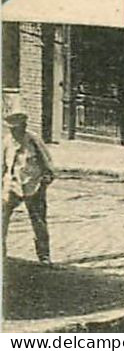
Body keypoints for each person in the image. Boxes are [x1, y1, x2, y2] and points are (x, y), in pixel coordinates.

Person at [3, 111, 56, 263]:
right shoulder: (7, 141)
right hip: (12, 186)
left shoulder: (33, 140)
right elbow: (2, 165)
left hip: (33, 185)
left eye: (17, 129)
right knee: (2, 217)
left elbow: (48, 164)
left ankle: (44, 256)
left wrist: (44, 182)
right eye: (11, 129)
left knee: (38, 220)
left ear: (23, 127)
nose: (14, 133)